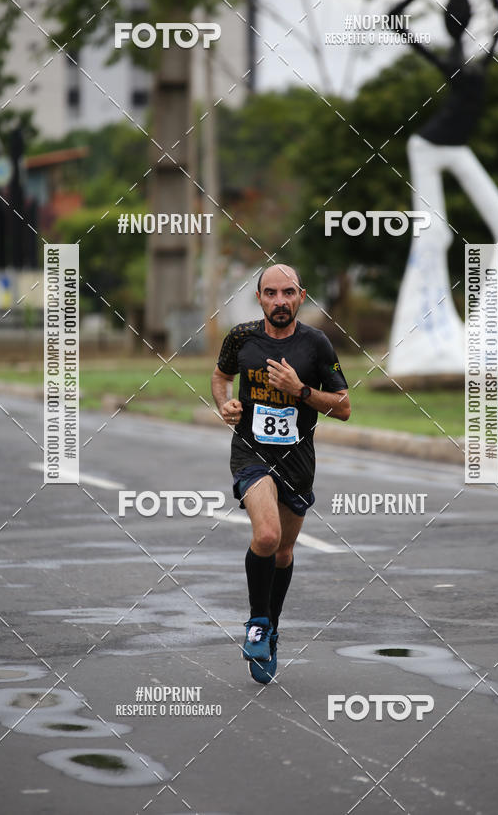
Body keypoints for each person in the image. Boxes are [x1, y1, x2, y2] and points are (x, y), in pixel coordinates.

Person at [386, 0, 498, 375]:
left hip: (456, 148)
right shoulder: (452, 60)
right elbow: (393, 19)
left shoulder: (478, 58)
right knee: (432, 236)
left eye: (465, 12)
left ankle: (492, 341)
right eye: (456, 14)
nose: (462, 18)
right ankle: (428, 339)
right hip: (427, 147)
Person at [211, 264, 350, 684]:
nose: (279, 301)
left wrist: (300, 390)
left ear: (301, 296)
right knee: (267, 536)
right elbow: (221, 376)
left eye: (288, 293)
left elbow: (343, 407)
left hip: (297, 461)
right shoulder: (241, 337)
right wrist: (224, 403)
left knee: (284, 551)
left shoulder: (316, 344)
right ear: (259, 298)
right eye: (270, 293)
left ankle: (270, 627)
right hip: (251, 453)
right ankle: (257, 623)